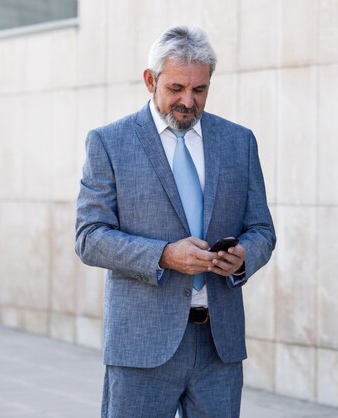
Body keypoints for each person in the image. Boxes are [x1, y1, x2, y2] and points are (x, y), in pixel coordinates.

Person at [75, 26, 276, 418]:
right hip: (141, 345)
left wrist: (243, 257)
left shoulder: (239, 142)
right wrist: (164, 255)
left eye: (200, 90)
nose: (188, 100)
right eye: (177, 88)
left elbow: (262, 230)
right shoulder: (109, 143)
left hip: (219, 346)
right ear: (150, 80)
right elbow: (89, 237)